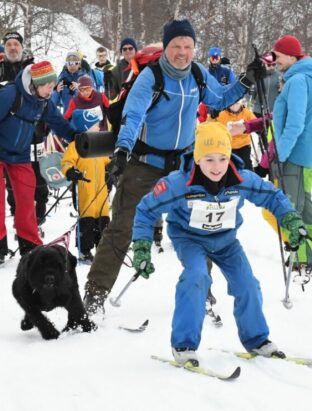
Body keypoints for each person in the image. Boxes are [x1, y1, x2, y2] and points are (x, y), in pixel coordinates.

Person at [82, 19, 253, 314]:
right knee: (123, 227)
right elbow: (133, 116)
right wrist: (122, 149)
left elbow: (221, 98)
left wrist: (246, 81)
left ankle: (203, 291)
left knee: (201, 225)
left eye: (188, 46)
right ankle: (95, 294)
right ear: (166, 47)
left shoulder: (198, 74)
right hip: (146, 164)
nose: (183, 52)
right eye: (177, 46)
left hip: (185, 164)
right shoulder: (151, 77)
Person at [130, 122, 307, 364]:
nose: (217, 167)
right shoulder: (178, 183)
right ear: (198, 158)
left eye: (222, 159)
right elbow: (146, 209)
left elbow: (272, 196)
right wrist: (141, 247)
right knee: (196, 278)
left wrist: (291, 219)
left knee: (248, 284)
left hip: (226, 241)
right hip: (190, 239)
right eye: (209, 159)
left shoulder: (241, 179)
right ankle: (184, 345)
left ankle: (257, 339)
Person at [0, 61, 79, 265]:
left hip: (19, 154)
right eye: (48, 85)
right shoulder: (10, 95)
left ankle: (29, 244)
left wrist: (76, 137)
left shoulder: (44, 101)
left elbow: (59, 124)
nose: (51, 88)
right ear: (36, 83)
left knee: (26, 198)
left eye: (52, 84)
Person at [268, 34, 312, 275]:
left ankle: (303, 258)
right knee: (305, 209)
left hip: (292, 158)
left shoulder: (296, 82)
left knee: (290, 209)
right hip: (302, 157)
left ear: (292, 56)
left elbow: (295, 124)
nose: (274, 60)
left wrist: (280, 156)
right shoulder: (308, 80)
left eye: (278, 56)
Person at [62, 108, 111, 262]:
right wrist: (70, 171)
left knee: (103, 220)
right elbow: (66, 162)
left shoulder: (100, 144)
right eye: (95, 125)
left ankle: (103, 249)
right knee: (87, 221)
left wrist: (111, 169)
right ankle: (84, 250)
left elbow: (107, 162)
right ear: (86, 127)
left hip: (101, 190)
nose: (99, 127)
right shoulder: (75, 145)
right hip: (85, 189)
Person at [212, 98, 256, 169]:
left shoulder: (246, 113)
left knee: (247, 164)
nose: (234, 106)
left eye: (237, 103)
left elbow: (255, 123)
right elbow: (217, 130)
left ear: (241, 103)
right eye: (232, 104)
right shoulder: (223, 115)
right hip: (230, 146)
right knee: (233, 166)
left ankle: (249, 177)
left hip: (244, 144)